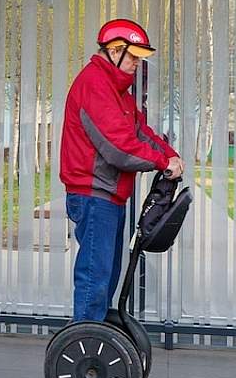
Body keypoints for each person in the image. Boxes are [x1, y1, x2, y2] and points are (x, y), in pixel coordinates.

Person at [58, 18, 183, 323]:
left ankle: (95, 336)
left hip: (110, 196)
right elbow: (119, 147)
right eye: (133, 56)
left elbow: (140, 132)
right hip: (93, 195)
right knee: (94, 278)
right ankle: (84, 346)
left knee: (107, 274)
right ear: (115, 50)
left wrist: (170, 155)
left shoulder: (118, 91)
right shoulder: (95, 84)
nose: (136, 64)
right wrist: (161, 163)